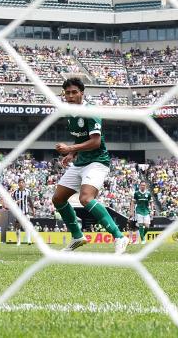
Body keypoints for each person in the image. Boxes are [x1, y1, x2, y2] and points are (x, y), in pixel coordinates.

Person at [51, 78, 128, 254]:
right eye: (67, 93)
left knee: (85, 198)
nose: (70, 96)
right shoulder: (69, 114)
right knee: (58, 198)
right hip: (80, 162)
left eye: (74, 92)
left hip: (97, 161)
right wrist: (72, 154)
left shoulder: (90, 111)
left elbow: (95, 142)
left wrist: (70, 149)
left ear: (82, 93)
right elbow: (81, 138)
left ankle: (119, 236)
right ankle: (77, 236)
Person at [10, 179, 33, 245]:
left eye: (22, 182)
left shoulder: (28, 191)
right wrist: (16, 202)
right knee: (18, 226)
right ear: (18, 184)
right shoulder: (15, 192)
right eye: (20, 183)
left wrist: (32, 209)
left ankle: (29, 240)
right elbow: (12, 202)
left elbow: (30, 201)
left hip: (26, 212)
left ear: (24, 183)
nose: (21, 184)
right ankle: (18, 241)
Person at [132, 181, 154, 245]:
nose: (143, 186)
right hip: (139, 211)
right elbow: (133, 202)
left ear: (145, 186)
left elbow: (151, 202)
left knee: (147, 226)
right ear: (140, 186)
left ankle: (142, 236)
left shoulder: (148, 193)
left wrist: (152, 210)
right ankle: (143, 239)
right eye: (141, 185)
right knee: (141, 225)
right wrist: (132, 211)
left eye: (144, 185)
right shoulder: (136, 193)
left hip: (146, 211)